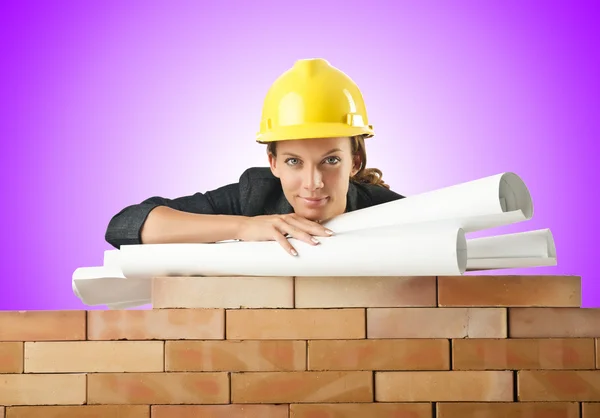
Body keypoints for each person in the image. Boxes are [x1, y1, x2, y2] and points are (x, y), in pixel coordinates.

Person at [105, 58, 405, 256]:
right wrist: (243, 226)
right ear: (273, 163)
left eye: (330, 160)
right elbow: (125, 225)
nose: (313, 183)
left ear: (354, 162)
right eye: (293, 161)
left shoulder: (389, 211)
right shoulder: (254, 195)